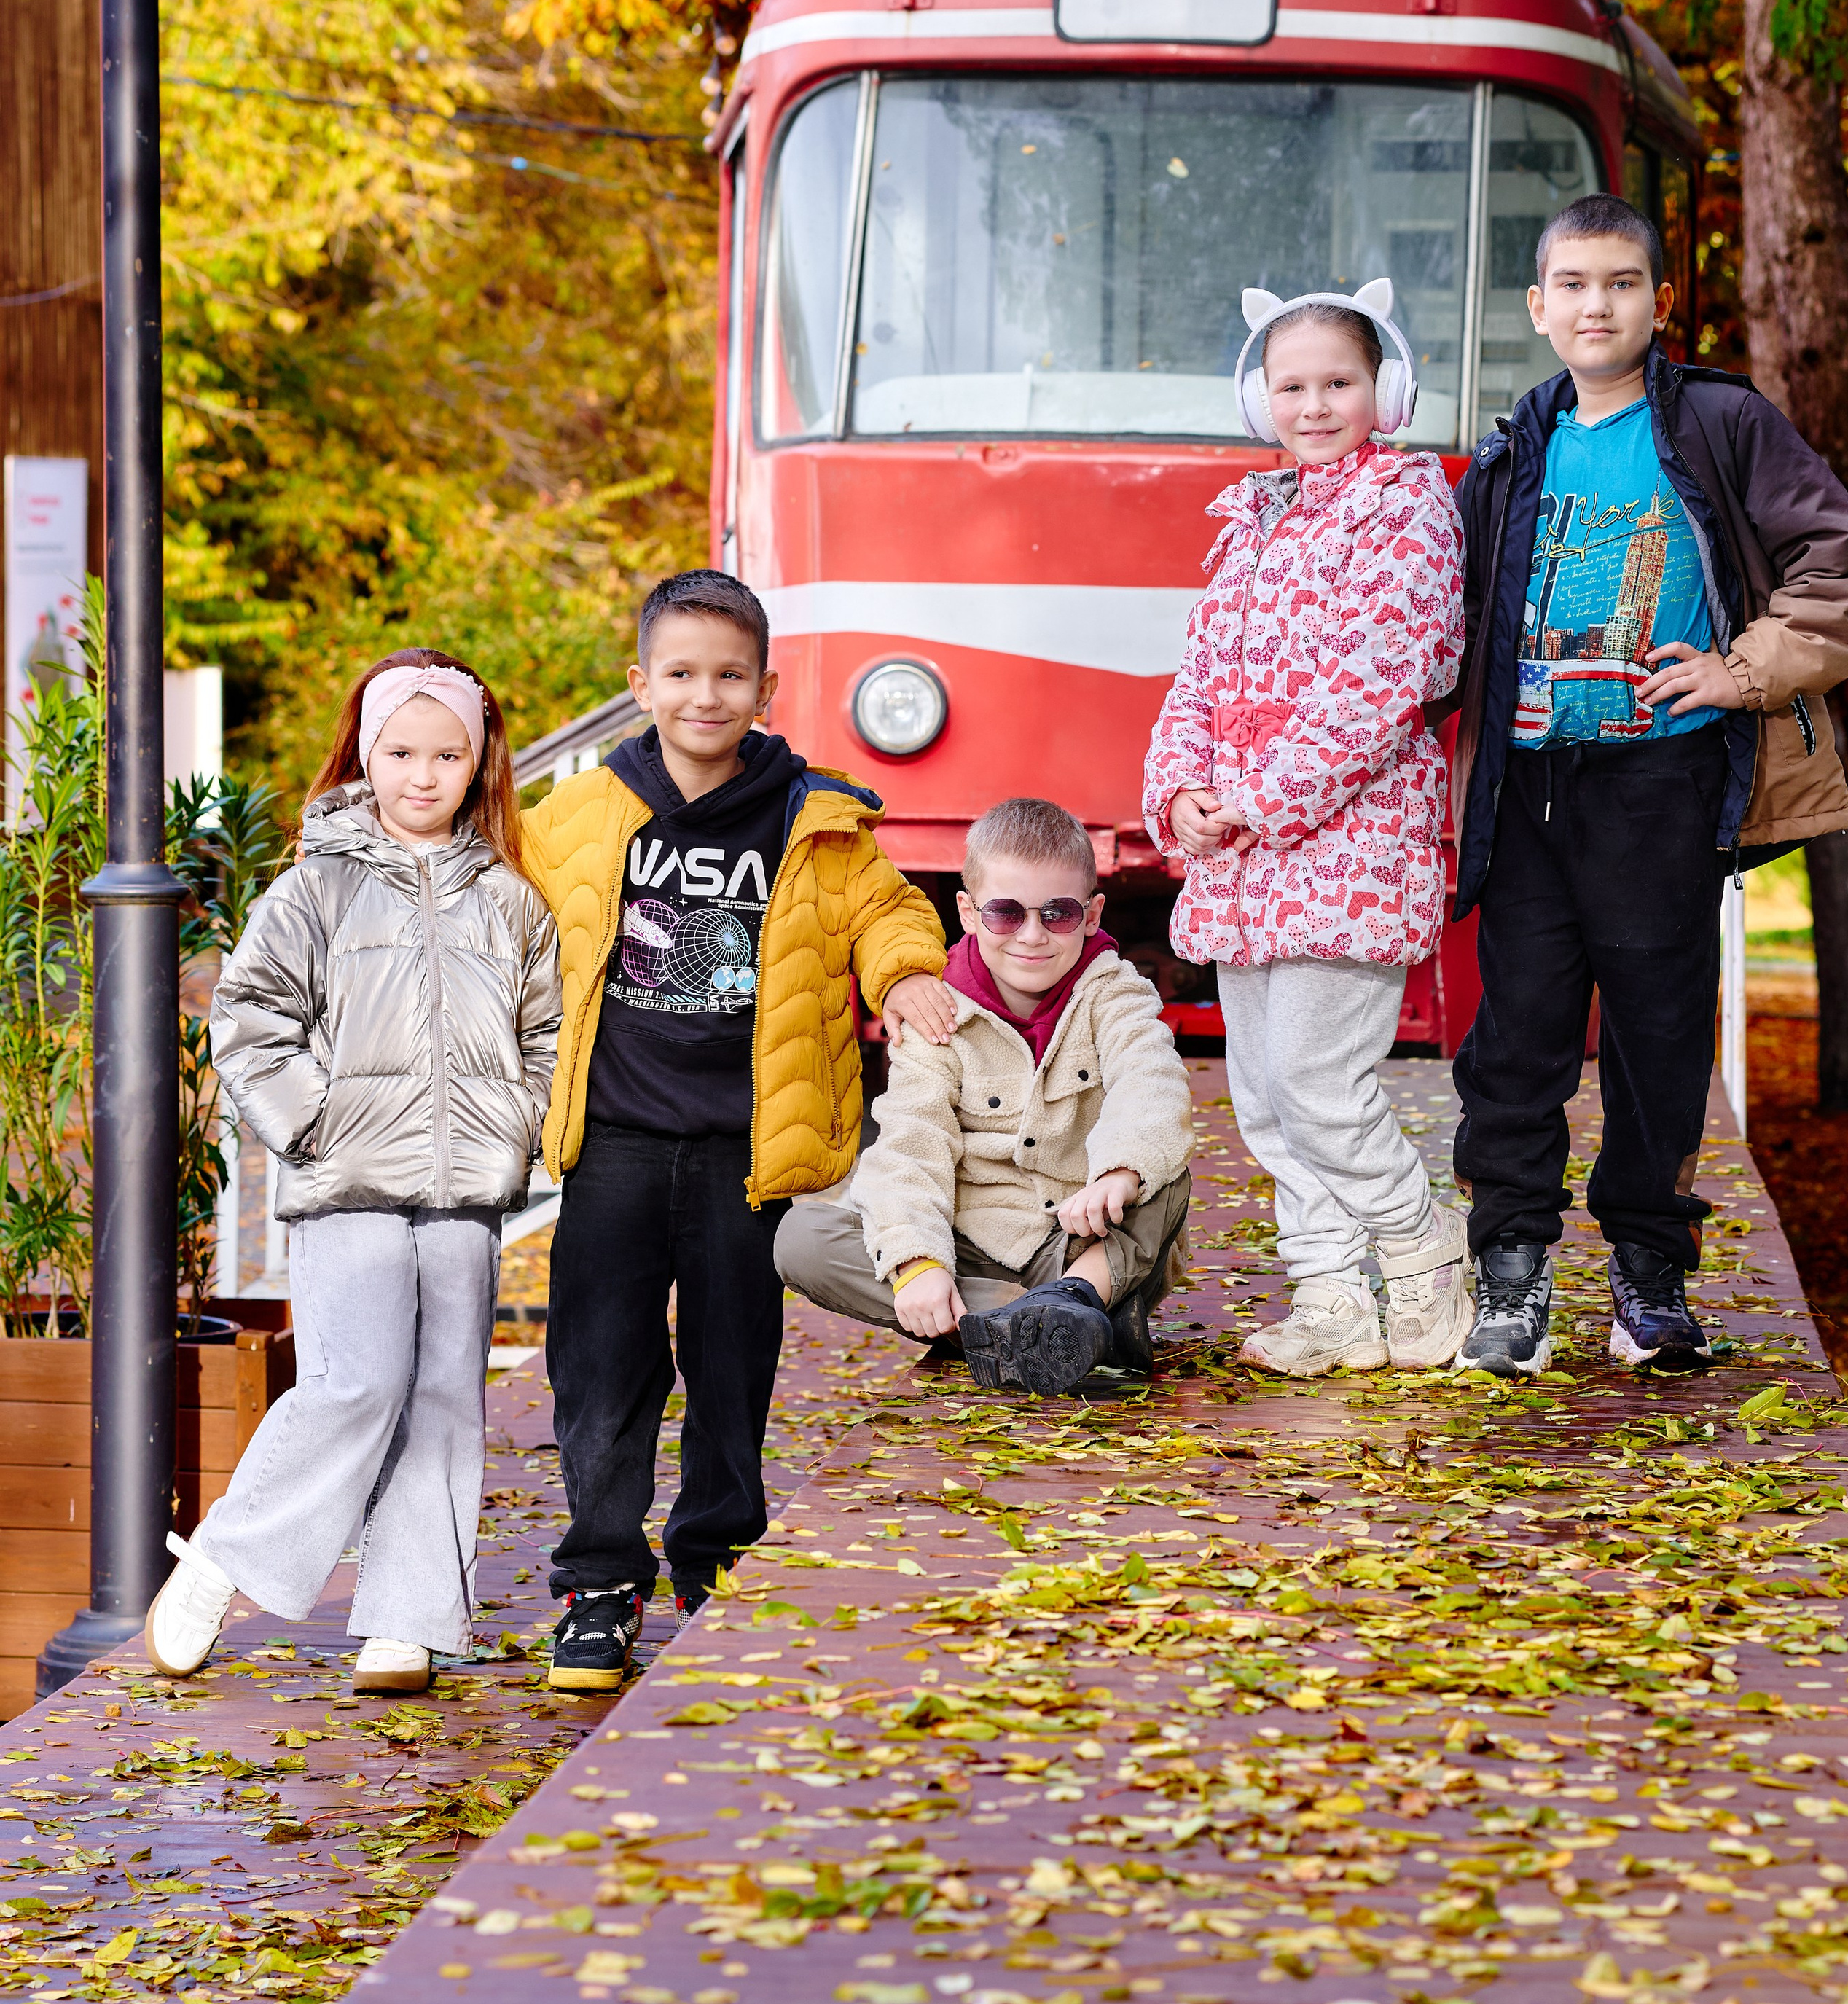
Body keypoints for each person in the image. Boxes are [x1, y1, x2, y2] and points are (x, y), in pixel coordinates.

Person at [1449, 193, 1848, 1377]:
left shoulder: (1721, 424)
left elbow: (1838, 559)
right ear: (1539, 308)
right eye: (1572, 285)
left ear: (1660, 304)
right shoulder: (1511, 450)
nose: (1596, 303)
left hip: (1665, 792)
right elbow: (1445, 620)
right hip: (1529, 801)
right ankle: (1513, 1281)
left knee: (1658, 1041)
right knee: (1516, 1044)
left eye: (1621, 283)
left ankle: (1648, 1283)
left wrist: (1741, 672)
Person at [521, 568, 950, 1688]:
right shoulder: (580, 815)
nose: (704, 697)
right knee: (601, 1369)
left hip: (746, 1150)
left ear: (767, 686)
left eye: (728, 676)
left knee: (730, 1368)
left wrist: (903, 978)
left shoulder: (815, 814)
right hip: (612, 1142)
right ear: (640, 685)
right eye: (680, 674)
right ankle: (599, 1581)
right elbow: (491, 889)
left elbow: (891, 911)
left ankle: (717, 1559)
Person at [144, 650, 561, 1694]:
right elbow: (248, 1024)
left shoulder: (511, 902)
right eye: (401, 751)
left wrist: (518, 1118)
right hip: (346, 1181)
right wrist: (315, 1124)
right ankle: (226, 1557)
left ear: (481, 764)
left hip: (466, 1193)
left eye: (447, 754)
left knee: (440, 1398)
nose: (422, 775)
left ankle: (408, 1621)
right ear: (365, 754)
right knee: (356, 1381)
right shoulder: (312, 887)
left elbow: (547, 1032)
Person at [1142, 278, 1469, 1377]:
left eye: (1340, 381)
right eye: (1294, 385)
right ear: (1260, 397)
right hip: (1243, 862)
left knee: (1324, 1083)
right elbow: (1198, 676)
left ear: (1386, 390)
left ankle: (1425, 1252)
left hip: (1349, 850)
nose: (1316, 404)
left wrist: (1263, 794)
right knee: (1269, 1100)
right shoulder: (1252, 521)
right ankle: (1333, 1298)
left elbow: (1381, 681)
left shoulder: (1408, 512)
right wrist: (1182, 790)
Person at [776, 797, 1195, 1396]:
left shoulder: (1115, 994)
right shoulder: (938, 1013)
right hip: (974, 1250)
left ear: (1092, 913)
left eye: (1058, 913)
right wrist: (917, 1265)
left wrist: (1121, 1173)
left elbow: (1149, 1078)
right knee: (802, 1240)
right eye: (1005, 913)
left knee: (1163, 1167)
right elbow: (909, 1147)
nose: (1032, 935)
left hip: (1083, 1248)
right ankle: (1058, 1326)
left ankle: (1076, 1304)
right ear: (969, 913)